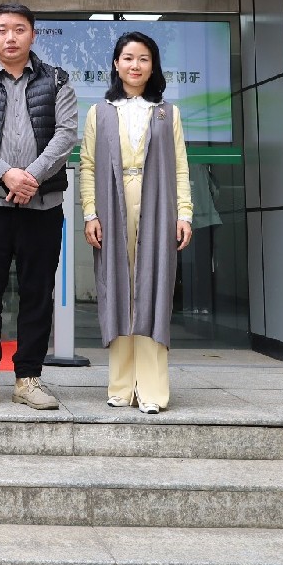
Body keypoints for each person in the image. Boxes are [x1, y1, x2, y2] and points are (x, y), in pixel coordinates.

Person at [0, 3, 78, 411]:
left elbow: (66, 134)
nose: (11, 37)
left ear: (33, 34)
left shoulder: (58, 80)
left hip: (42, 205)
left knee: (37, 293)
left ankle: (28, 378)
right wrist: (7, 174)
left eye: (20, 29)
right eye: (3, 29)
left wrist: (31, 178)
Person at [81, 31, 192, 414]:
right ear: (116, 64)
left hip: (158, 203)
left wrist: (184, 214)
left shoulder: (166, 112)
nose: (135, 65)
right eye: (128, 58)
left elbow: (180, 166)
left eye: (143, 59)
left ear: (152, 65)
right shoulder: (99, 112)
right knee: (118, 288)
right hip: (112, 204)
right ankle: (121, 386)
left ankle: (153, 391)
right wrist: (90, 213)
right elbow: (88, 166)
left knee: (152, 289)